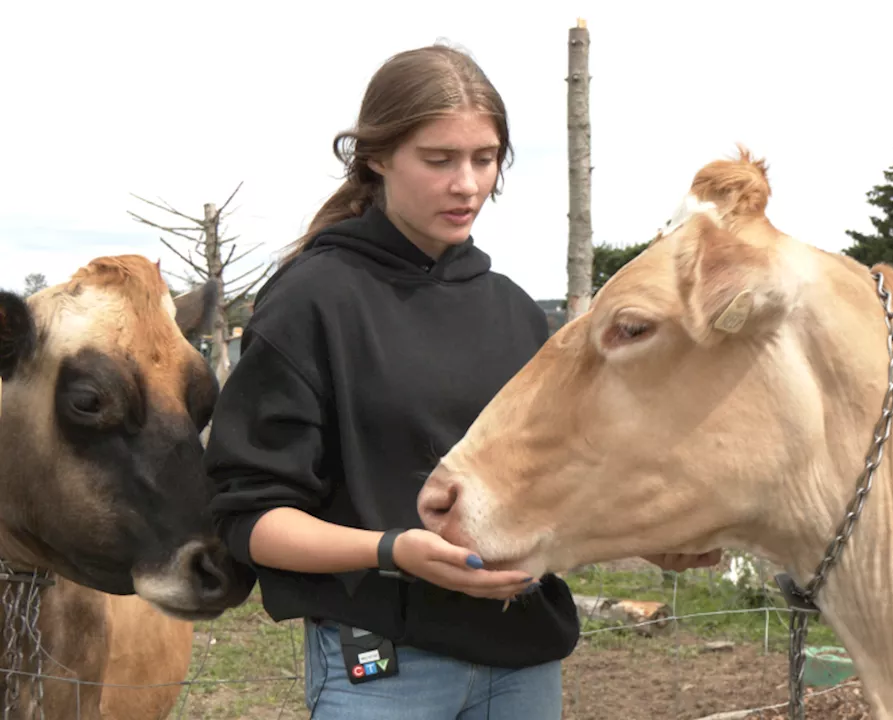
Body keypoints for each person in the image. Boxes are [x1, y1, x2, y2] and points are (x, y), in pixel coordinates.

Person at [203, 43, 719, 720]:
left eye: (485, 157)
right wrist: (392, 553)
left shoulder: (516, 313)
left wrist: (658, 539)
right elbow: (250, 520)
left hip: (525, 664)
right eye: (439, 159)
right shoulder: (310, 304)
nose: (468, 184)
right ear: (377, 157)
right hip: (385, 671)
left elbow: (564, 482)